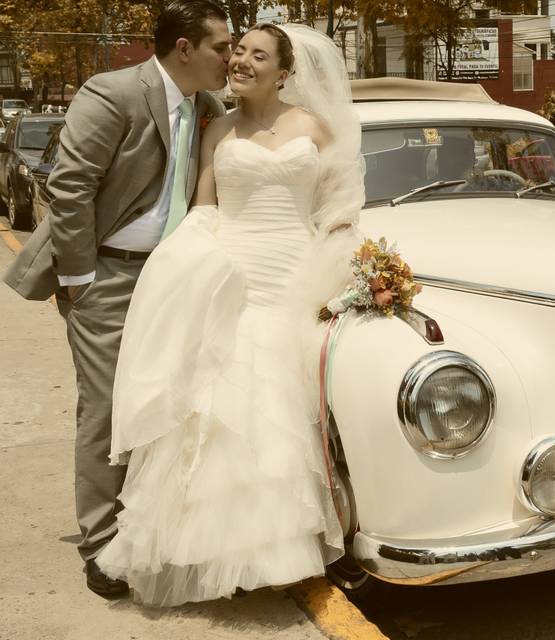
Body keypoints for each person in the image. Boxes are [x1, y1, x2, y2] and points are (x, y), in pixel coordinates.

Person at [93, 22, 363, 607]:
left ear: (285, 73)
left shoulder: (314, 128)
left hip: (296, 273)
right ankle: (224, 550)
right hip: (235, 272)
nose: (240, 60)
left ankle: (290, 544)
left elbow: (338, 208)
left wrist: (340, 269)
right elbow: (203, 204)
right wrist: (193, 267)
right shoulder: (217, 128)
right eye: (237, 50)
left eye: (256, 55)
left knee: (287, 407)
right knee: (222, 407)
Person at [2, 0, 230, 600]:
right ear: (185, 48)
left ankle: (145, 525)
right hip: (106, 272)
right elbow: (70, 186)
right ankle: (101, 544)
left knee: (165, 401)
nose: (229, 57)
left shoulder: (208, 108)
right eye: (221, 47)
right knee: (106, 405)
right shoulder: (113, 94)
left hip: (171, 279)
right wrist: (79, 278)